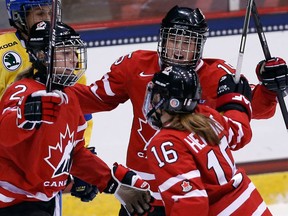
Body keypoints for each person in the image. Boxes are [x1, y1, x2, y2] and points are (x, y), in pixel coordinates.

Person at [71, 5, 288, 215]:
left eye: (188, 43)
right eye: (174, 40)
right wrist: (47, 91)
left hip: (191, 189)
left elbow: (253, 107)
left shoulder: (217, 74)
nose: (179, 51)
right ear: (162, 39)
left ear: (200, 45)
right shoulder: (135, 66)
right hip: (143, 195)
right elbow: (93, 98)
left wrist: (270, 88)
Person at [0, 21, 152, 216]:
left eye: (74, 52)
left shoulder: (70, 98)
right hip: (12, 202)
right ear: (41, 56)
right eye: (65, 53)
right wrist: (25, 115)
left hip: (46, 200)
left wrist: (113, 184)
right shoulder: (23, 90)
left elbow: (75, 154)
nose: (73, 60)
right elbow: (4, 134)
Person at [144, 65, 272, 215]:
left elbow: (192, 204)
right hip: (254, 206)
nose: (152, 101)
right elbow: (238, 134)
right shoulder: (206, 116)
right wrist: (236, 104)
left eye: (156, 96)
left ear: (170, 101)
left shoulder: (165, 143)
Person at [2, 0, 97, 202]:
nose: (47, 19)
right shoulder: (2, 51)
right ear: (20, 17)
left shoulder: (65, 49)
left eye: (49, 13)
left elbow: (80, 114)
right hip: (9, 164)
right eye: (38, 14)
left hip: (49, 162)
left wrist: (80, 155)